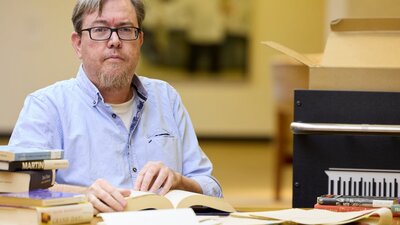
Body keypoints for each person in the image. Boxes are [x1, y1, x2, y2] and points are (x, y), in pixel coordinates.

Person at [8, 0, 222, 213]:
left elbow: (211, 186)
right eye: (100, 30)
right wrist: (81, 195)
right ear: (77, 44)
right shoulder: (46, 106)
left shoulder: (166, 97)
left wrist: (179, 181)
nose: (114, 41)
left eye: (126, 29)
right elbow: (15, 189)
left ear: (140, 40)